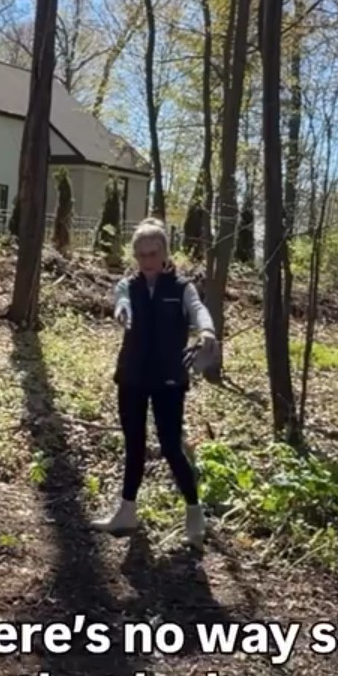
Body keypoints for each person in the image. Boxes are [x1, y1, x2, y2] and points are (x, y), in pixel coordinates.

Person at [91, 217, 219, 543]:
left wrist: (206, 331)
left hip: (169, 378)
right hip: (132, 374)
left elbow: (198, 309)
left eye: (152, 254)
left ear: (164, 253)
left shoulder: (181, 288)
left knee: (171, 446)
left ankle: (194, 513)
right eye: (141, 255)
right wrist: (122, 311)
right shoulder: (127, 285)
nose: (146, 261)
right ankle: (127, 512)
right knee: (133, 444)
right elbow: (120, 301)